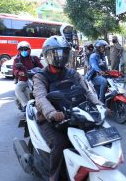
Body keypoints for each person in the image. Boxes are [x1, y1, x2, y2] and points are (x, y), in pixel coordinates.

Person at [33, 36, 104, 181]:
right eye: (56, 54)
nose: (60, 57)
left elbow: (87, 91)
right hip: (51, 119)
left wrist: (99, 104)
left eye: (63, 53)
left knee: (94, 136)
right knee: (60, 143)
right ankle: (54, 177)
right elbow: (40, 97)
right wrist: (52, 113)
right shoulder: (41, 76)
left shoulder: (72, 73)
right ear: (47, 55)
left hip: (75, 114)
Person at [12, 41, 43, 111]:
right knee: (17, 88)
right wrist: (19, 73)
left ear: (29, 50)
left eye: (25, 49)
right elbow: (14, 70)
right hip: (24, 79)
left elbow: (41, 67)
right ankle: (26, 106)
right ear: (19, 51)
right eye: (21, 50)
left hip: (36, 78)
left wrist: (44, 71)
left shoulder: (34, 58)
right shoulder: (17, 60)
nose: (23, 51)